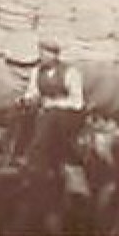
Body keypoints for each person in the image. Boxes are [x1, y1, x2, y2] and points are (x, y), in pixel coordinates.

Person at [18, 37, 86, 180]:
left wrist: (55, 103)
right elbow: (33, 90)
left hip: (68, 116)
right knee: (18, 112)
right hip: (45, 110)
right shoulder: (37, 71)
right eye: (41, 52)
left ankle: (35, 158)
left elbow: (77, 102)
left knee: (50, 117)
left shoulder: (70, 73)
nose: (42, 56)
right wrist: (27, 99)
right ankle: (14, 152)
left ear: (55, 55)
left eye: (46, 53)